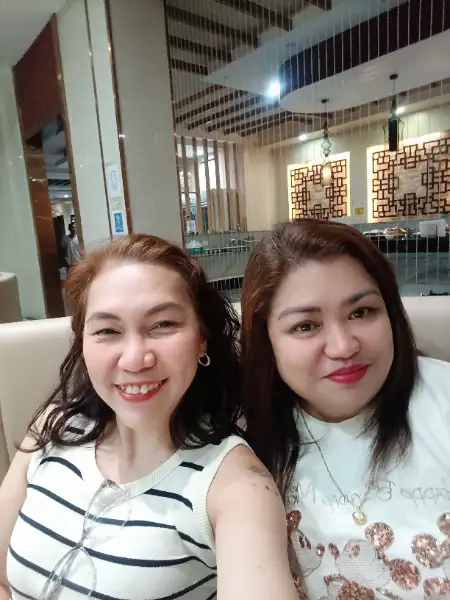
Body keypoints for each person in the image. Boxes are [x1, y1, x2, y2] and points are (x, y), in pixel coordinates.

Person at [0, 234, 297, 600]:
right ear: (82, 342)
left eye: (163, 325)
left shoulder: (233, 487)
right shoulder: (54, 427)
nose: (135, 359)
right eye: (108, 330)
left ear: (202, 338)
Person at [241, 219, 450, 599]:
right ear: (266, 341)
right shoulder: (245, 451)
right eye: (306, 326)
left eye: (361, 312)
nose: (343, 347)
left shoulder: (443, 399)